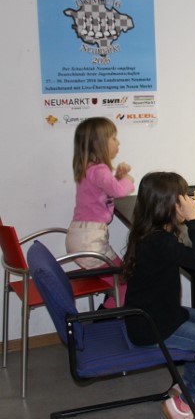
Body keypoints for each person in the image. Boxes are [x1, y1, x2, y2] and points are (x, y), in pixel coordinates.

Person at [123, 172, 195, 419]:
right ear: (169, 207)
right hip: (152, 325)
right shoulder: (159, 242)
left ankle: (185, 386)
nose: (187, 202)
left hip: (153, 313)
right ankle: (185, 404)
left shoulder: (148, 230)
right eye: (182, 198)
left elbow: (186, 224)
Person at [65, 117, 135, 309]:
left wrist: (117, 177)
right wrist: (127, 180)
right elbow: (118, 191)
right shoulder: (99, 170)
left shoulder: (89, 168)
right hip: (89, 241)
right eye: (113, 138)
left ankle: (110, 312)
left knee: (123, 276)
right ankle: (103, 318)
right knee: (125, 283)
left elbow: (104, 190)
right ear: (99, 144)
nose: (118, 142)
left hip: (83, 237)